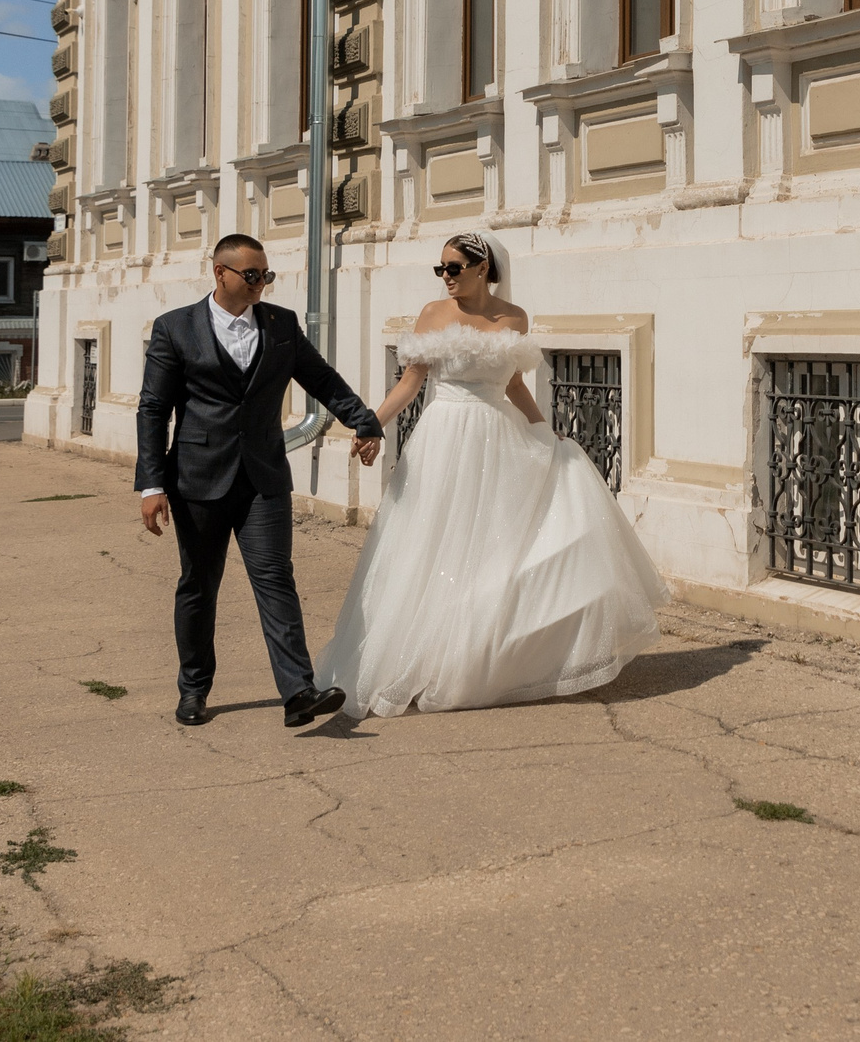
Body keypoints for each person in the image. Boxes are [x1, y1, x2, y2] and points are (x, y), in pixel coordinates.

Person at [318, 232, 667, 717]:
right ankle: (410, 661)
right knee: (430, 545)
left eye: (454, 268)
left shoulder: (514, 317)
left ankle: (475, 660)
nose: (445, 278)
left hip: (498, 437)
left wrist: (547, 434)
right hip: (443, 438)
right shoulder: (432, 314)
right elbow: (411, 382)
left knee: (492, 549)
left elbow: (517, 383)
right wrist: (372, 422)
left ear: (483, 268)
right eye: (440, 269)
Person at [136, 233, 385, 729]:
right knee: (199, 587)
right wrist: (151, 484)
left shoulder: (281, 325)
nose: (260, 284)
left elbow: (322, 378)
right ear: (220, 273)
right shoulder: (175, 328)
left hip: (264, 477)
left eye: (266, 275)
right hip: (197, 479)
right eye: (251, 275)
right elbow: (153, 409)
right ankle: (193, 690)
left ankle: (298, 692)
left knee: (275, 580)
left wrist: (364, 419)